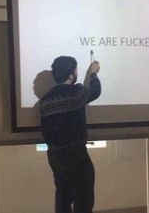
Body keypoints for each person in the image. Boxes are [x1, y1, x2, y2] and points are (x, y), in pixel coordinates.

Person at [40, 56, 101, 213]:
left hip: (54, 155)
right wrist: (93, 74)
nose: (77, 73)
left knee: (63, 195)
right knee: (84, 198)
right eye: (75, 69)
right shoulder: (76, 94)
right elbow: (94, 92)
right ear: (70, 74)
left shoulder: (46, 100)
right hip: (75, 154)